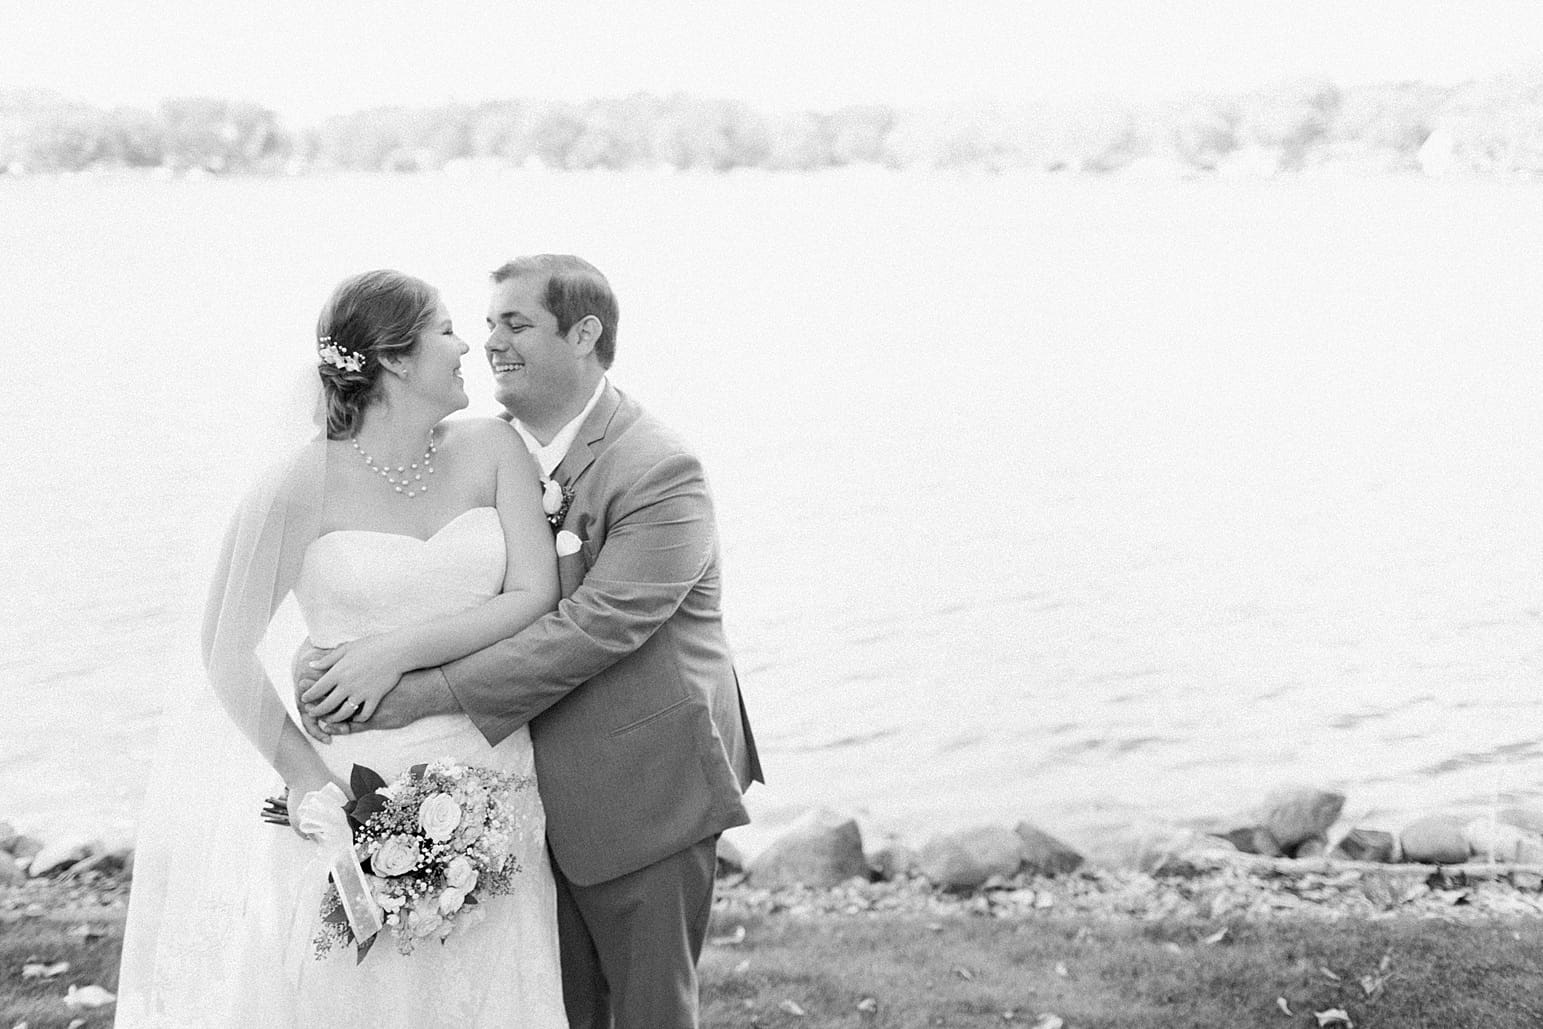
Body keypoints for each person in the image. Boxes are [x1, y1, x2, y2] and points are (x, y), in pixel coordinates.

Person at [296, 254, 763, 1029]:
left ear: (584, 334)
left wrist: (419, 691)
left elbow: (596, 626)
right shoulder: (481, 448)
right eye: (482, 325)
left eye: (514, 323)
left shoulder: (658, 468)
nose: (488, 344)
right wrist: (336, 649)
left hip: (642, 789)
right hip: (515, 792)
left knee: (646, 1014)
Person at [115, 270, 569, 1027]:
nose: (466, 346)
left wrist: (393, 650)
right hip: (358, 783)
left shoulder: (492, 446)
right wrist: (306, 779)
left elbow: (534, 595)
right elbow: (224, 647)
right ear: (394, 358)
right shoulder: (301, 480)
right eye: (446, 329)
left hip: (495, 773)